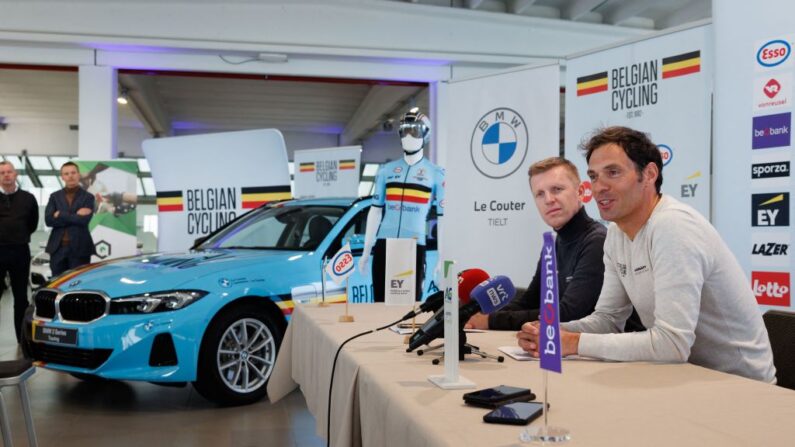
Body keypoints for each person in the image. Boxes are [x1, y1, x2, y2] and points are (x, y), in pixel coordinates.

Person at [517, 126, 776, 383]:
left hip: (741, 387)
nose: (598, 187)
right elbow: (608, 319)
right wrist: (552, 331)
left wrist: (573, 342)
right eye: (594, 177)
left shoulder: (673, 226)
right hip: (687, 378)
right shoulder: (616, 234)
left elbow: (672, 344)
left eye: (613, 173)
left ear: (649, 174)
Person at [466, 157, 607, 330]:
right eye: (540, 194)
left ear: (580, 192)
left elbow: (570, 313)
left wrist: (492, 321)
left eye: (557, 189)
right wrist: (477, 316)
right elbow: (531, 301)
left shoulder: (596, 241)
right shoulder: (554, 244)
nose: (548, 199)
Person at [358, 108, 444, 302]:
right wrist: (366, 250)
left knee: (409, 306)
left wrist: (441, 257)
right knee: (380, 303)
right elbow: (375, 211)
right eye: (404, 131)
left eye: (414, 131)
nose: (408, 136)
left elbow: (442, 217)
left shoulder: (435, 173)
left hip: (413, 245)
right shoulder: (386, 170)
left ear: (426, 135)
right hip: (383, 244)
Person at [0, 161, 39, 343]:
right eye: (2, 173)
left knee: (21, 298)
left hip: (19, 251)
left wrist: (19, 235)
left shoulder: (28, 198)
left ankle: (22, 339)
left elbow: (32, 223)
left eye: (9, 172)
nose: (6, 175)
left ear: (15, 174)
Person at [45, 161, 96, 276]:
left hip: (80, 248)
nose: (70, 176)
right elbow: (49, 220)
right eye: (66, 173)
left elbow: (83, 220)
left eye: (73, 172)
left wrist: (61, 214)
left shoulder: (88, 197)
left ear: (79, 175)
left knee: (78, 284)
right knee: (57, 283)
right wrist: (75, 216)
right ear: (62, 177)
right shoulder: (54, 197)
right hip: (57, 248)